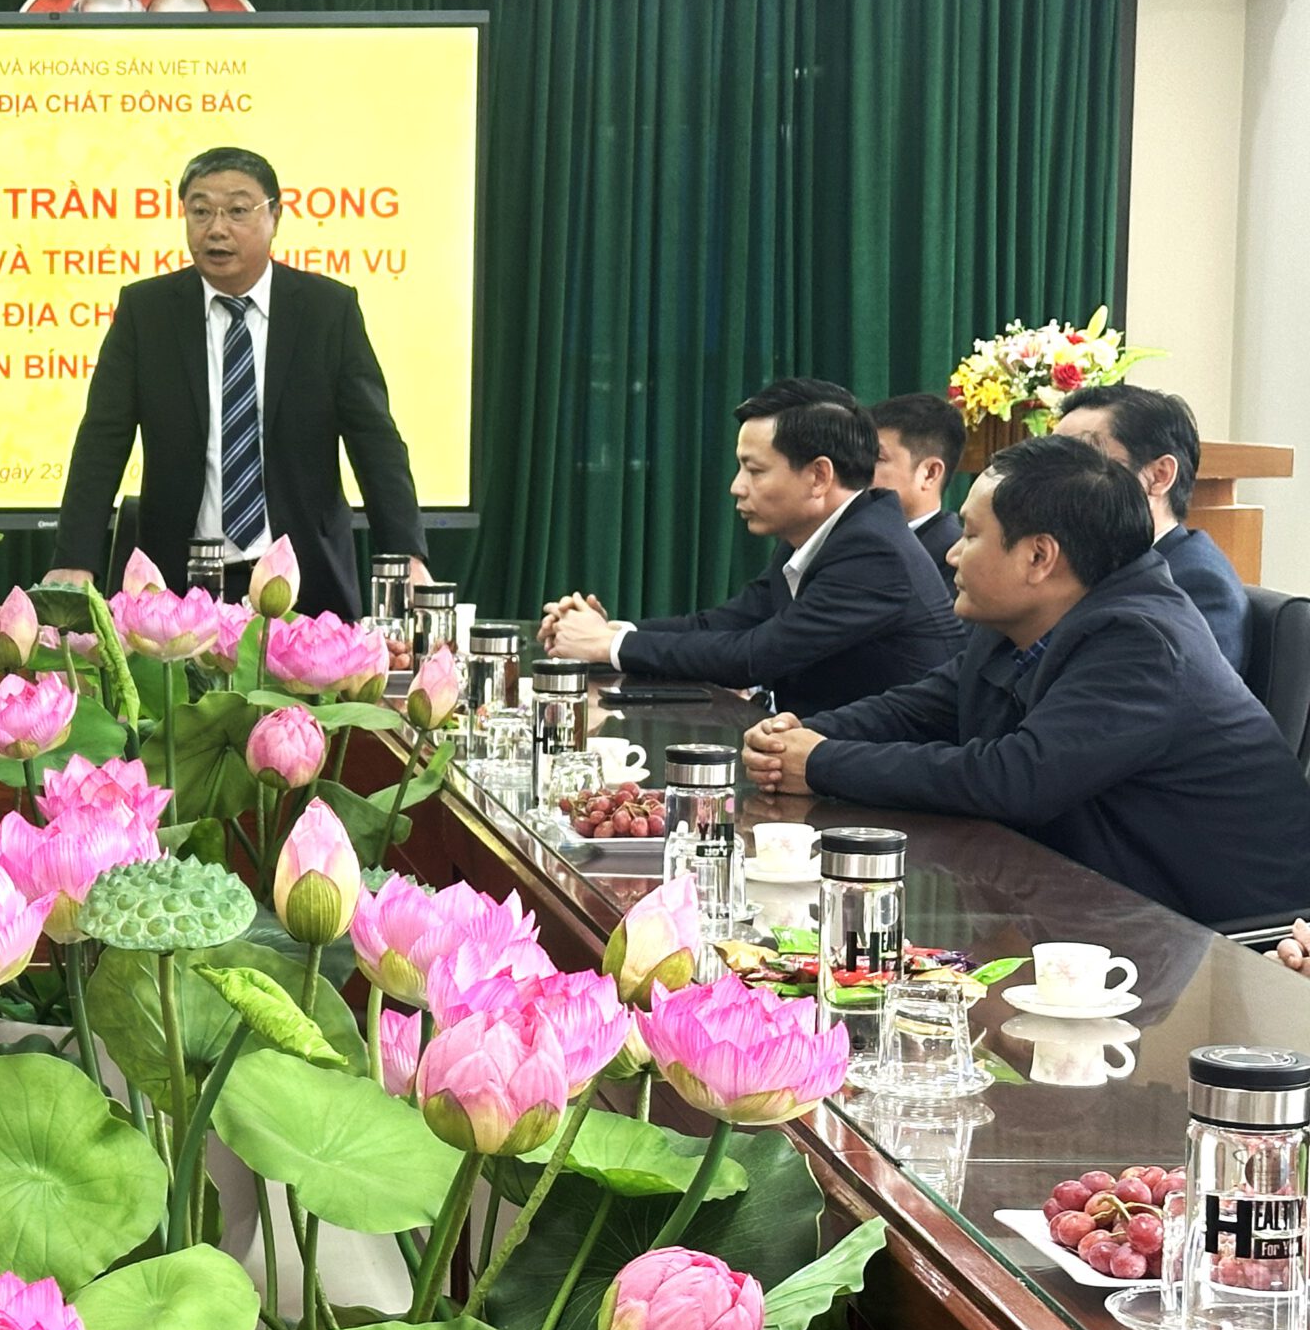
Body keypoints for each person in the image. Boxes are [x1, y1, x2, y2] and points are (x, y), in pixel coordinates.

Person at [741, 436, 1310, 932]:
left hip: (1219, 938)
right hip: (1092, 899)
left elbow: (1015, 778)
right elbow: (923, 708)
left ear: (1039, 556)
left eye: (971, 534)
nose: (951, 552)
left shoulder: (1142, 642)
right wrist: (799, 736)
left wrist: (822, 762)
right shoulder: (1020, 617)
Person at [45, 146, 428, 620]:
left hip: (305, 578)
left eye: (238, 211)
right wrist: (74, 558)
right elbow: (102, 441)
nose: (216, 228)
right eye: (200, 211)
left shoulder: (327, 311)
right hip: (178, 588)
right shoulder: (148, 313)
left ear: (275, 217)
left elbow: (375, 442)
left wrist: (406, 554)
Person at [542, 379, 963, 715]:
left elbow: (754, 656)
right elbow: (723, 623)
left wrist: (606, 646)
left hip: (877, 779)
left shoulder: (875, 552)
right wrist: (612, 631)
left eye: (754, 471)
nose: (736, 487)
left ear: (819, 476)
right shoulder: (821, 533)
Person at [1053, 383, 1247, 670]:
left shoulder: (1196, 584)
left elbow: (1162, 691)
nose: (1052, 481)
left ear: (1159, 475)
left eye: (1081, 462)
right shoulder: (1088, 561)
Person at [868, 392, 965, 593]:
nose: (859, 469)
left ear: (930, 474)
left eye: (877, 458)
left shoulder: (955, 564)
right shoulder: (851, 539)